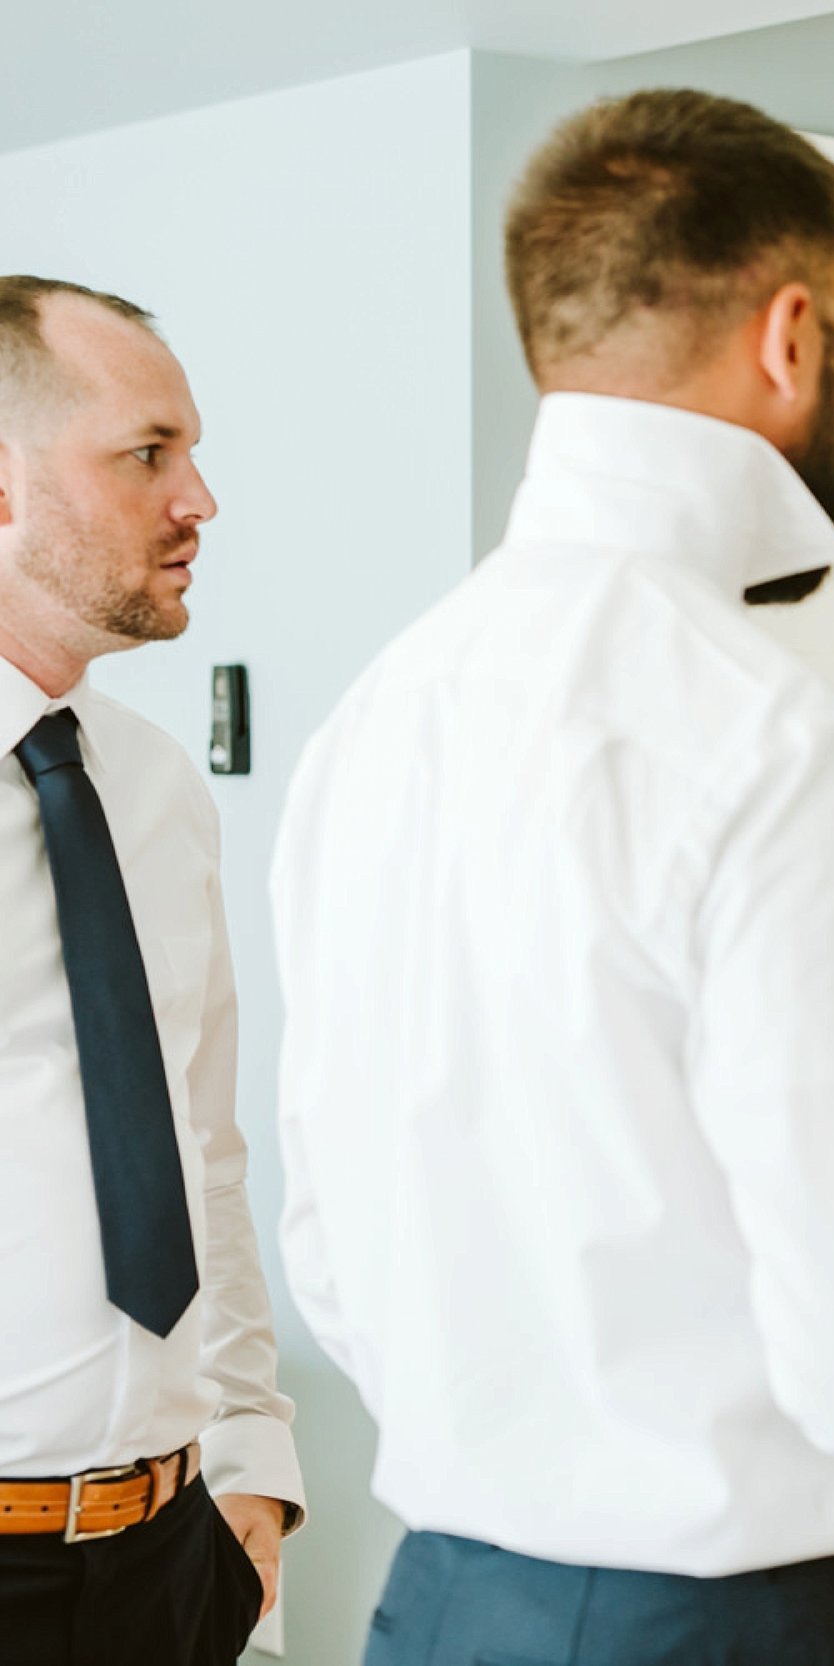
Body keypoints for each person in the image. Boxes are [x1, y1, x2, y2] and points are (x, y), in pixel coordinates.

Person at [271, 90, 834, 1665]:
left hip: (441, 1608)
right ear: (793, 339)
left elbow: (332, 1255)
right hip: (723, 1628)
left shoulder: (372, 719)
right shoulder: (780, 751)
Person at [0, 276, 302, 1664]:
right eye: (148, 453)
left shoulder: (159, 789)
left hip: (171, 1568)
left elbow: (200, 1151)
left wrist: (253, 1459)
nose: (200, 500)